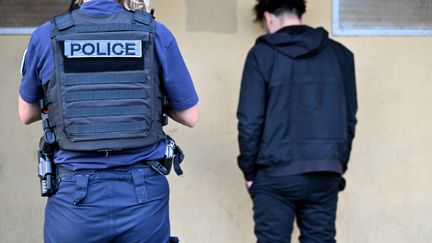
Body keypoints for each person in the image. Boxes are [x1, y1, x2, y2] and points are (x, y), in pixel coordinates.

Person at [18, 0, 199, 242]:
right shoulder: (155, 32)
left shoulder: (46, 35)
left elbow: (27, 114)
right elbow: (190, 115)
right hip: (143, 197)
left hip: (74, 199)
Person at [237, 0, 357, 242]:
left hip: (275, 173)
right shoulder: (340, 55)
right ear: (300, 13)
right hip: (325, 170)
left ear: (269, 17)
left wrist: (250, 172)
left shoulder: (261, 54)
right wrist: (337, 164)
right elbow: (349, 120)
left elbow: (249, 121)